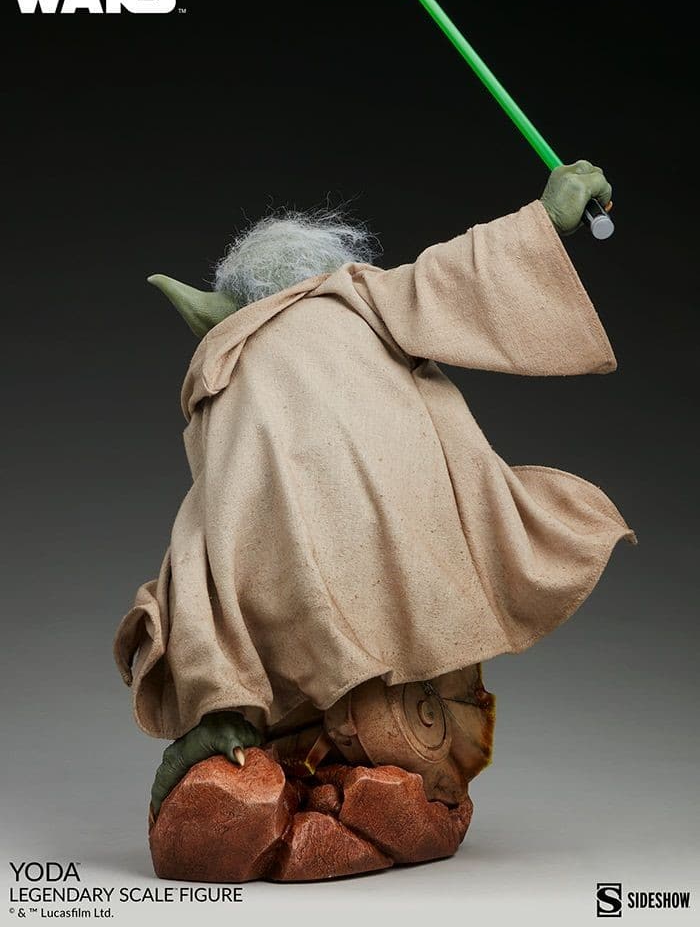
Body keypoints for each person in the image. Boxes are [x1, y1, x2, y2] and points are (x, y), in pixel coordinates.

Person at [113, 161, 635, 816]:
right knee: (223, 555)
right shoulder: (361, 298)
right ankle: (250, 722)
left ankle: (227, 715)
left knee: (201, 568)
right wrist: (550, 215)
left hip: (293, 557)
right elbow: (457, 276)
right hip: (396, 539)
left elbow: (452, 276)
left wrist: (549, 216)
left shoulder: (243, 345)